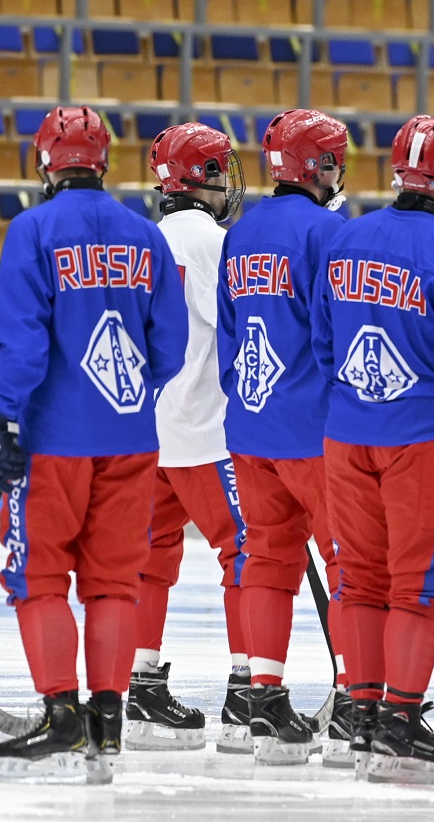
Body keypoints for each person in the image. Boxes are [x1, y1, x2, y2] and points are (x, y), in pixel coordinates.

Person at [0, 105, 188, 784]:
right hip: (131, 435)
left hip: (54, 438)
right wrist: (127, 393)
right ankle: (107, 716)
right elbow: (171, 346)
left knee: (38, 576)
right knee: (113, 582)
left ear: (46, 162)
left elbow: (26, 340)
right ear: (102, 161)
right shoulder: (145, 236)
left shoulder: (33, 230)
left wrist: (6, 419)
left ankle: (62, 715)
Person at [311, 114, 434, 785]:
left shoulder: (345, 240)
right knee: (421, 581)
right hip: (420, 440)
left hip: (345, 432)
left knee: (356, 576)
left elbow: (323, 342)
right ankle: (398, 717)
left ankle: (360, 713)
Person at [217, 108, 355, 767]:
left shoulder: (240, 234)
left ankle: (265, 703)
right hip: (316, 429)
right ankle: (357, 702)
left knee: (266, 560)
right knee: (349, 560)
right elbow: (341, 336)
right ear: (320, 166)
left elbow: (226, 334)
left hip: (250, 423)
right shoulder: (331, 232)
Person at [124, 122, 249, 754]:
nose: (229, 182)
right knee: (247, 553)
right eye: (221, 170)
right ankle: (250, 686)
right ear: (203, 176)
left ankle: (140, 684)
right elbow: (236, 330)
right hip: (207, 430)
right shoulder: (218, 243)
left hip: (149, 429)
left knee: (149, 558)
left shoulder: (142, 238)